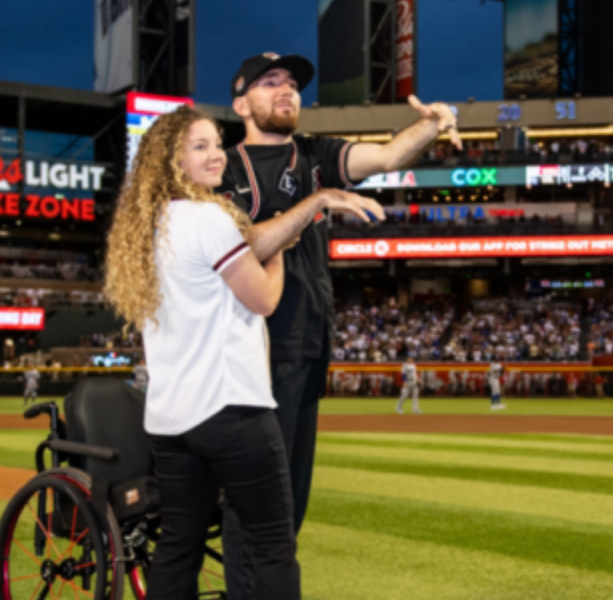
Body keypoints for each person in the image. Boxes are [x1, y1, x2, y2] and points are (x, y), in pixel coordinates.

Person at [216, 52, 460, 599]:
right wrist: (318, 200)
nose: (287, 91)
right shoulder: (223, 167)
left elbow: (390, 155)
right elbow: (245, 248)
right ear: (240, 103)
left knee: (289, 501)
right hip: (251, 347)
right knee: (255, 500)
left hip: (306, 343)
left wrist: (431, 123)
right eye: (270, 82)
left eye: (293, 84)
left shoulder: (314, 153)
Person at [104, 105, 299, 600]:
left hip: (171, 422)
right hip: (232, 409)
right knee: (272, 545)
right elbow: (264, 299)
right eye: (200, 147)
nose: (216, 155)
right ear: (172, 160)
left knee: (177, 547)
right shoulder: (207, 217)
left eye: (216, 143)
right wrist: (275, 255)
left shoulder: (147, 229)